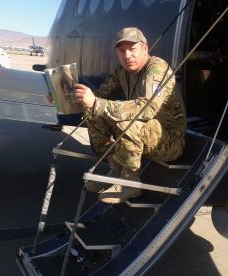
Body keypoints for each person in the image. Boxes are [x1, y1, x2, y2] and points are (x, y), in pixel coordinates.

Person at [74, 27, 186, 204]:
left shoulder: (157, 69)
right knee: (94, 114)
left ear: (144, 48)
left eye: (132, 49)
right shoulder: (122, 72)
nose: (127, 56)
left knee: (126, 117)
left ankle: (130, 181)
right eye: (122, 51)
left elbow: (146, 109)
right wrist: (71, 98)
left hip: (169, 140)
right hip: (147, 132)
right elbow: (100, 96)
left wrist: (96, 103)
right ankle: (116, 169)